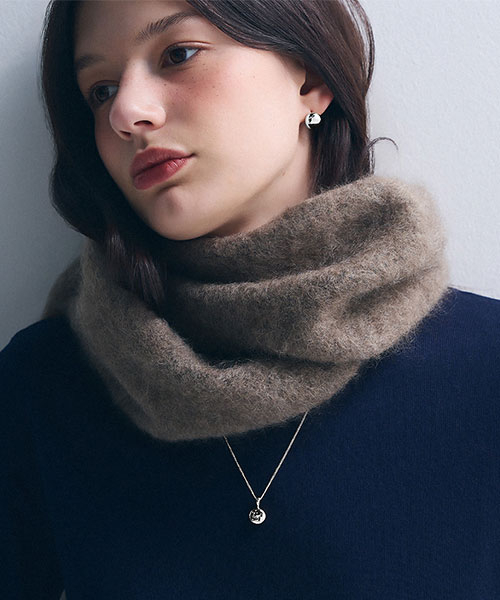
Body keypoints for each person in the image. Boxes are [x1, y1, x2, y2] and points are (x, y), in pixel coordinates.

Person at [1, 0, 499, 598]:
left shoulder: (488, 368)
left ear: (310, 80)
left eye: (179, 54)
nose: (127, 113)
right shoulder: (43, 384)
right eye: (100, 91)